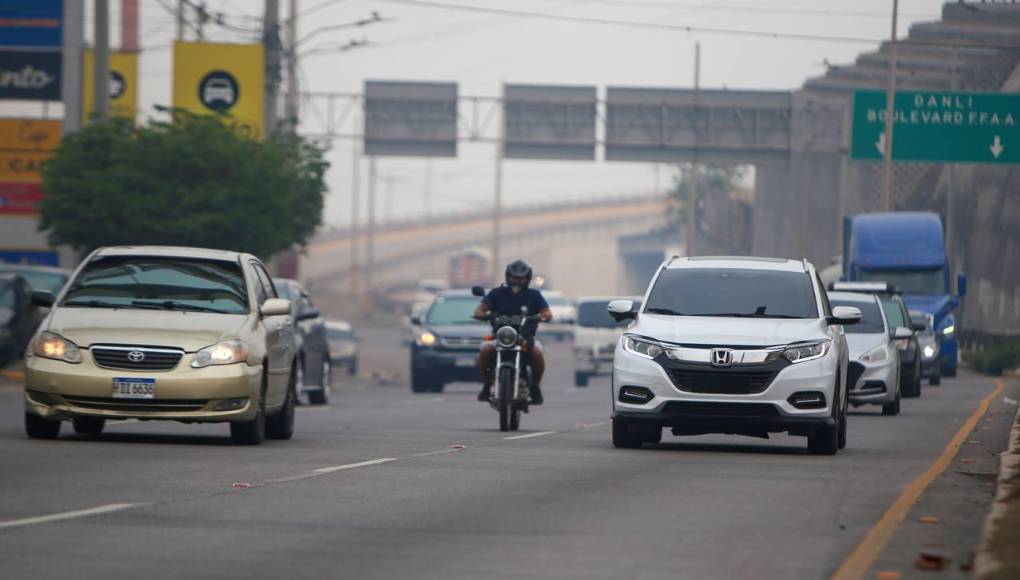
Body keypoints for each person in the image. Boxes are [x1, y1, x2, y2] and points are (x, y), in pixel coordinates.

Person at [474, 259, 552, 404]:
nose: (516, 281)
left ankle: (535, 388)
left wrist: (544, 316)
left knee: (537, 353)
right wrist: (481, 313)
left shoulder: (534, 295)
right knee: (485, 350)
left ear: (527, 279)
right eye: (513, 277)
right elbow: (481, 309)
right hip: (500, 338)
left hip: (526, 339)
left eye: (520, 278)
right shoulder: (496, 293)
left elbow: (546, 312)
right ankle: (486, 385)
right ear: (507, 277)